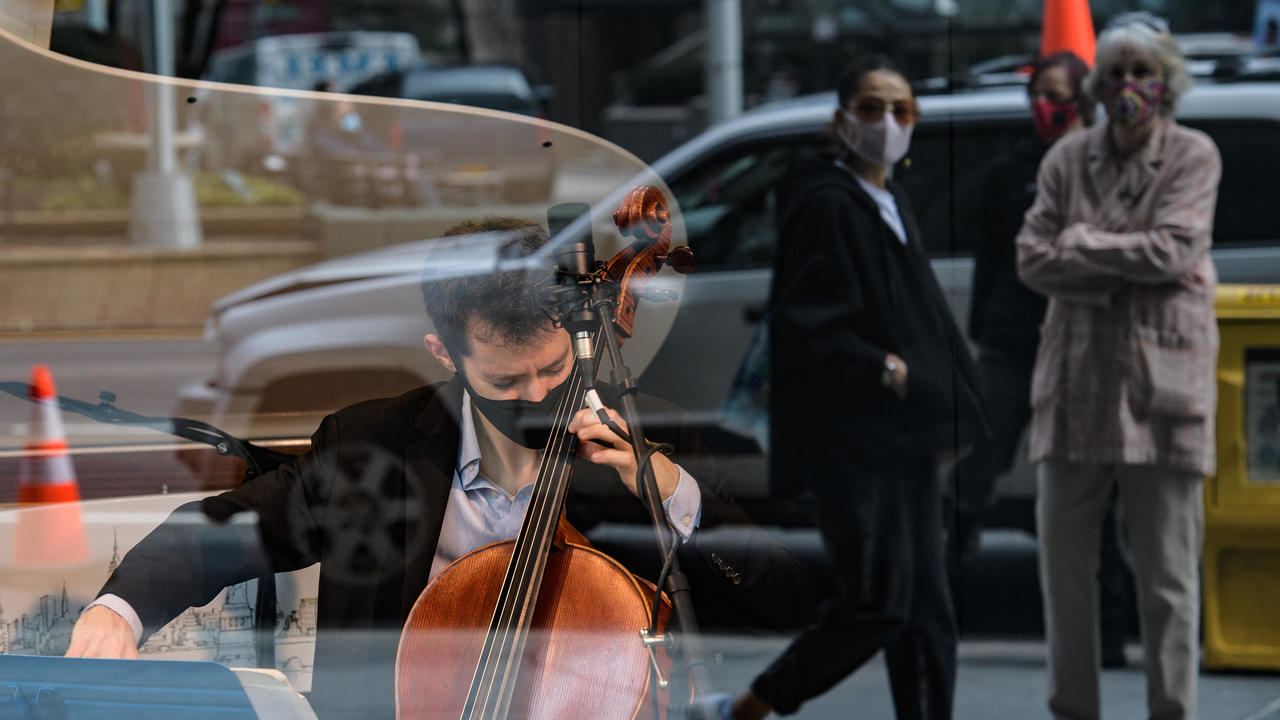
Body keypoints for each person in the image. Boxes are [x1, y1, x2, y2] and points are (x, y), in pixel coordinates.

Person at [65, 218, 812, 719]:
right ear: (443, 354)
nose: (540, 398)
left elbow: (783, 604)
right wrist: (117, 609)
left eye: (553, 370)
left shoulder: (645, 439)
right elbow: (223, 532)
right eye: (506, 383)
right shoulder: (376, 446)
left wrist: (672, 495)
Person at [729, 55, 987, 720]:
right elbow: (808, 322)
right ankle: (752, 705)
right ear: (840, 120)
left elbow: (923, 314)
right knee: (878, 600)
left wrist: (948, 401)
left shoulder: (891, 200)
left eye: (901, 111)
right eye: (872, 108)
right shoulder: (825, 201)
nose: (888, 123)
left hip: (905, 434)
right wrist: (886, 368)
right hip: (854, 438)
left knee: (927, 607)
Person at [1016, 13, 1220, 720]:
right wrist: (1116, 259)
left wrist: (1080, 246)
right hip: (1074, 386)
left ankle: (1174, 711)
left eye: (1143, 72)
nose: (1129, 85)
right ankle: (1074, 709)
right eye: (1117, 74)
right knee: (1064, 572)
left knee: (1167, 575)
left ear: (1167, 85)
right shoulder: (1065, 161)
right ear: (1098, 87)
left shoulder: (1194, 156)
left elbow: (1173, 250)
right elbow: (1030, 258)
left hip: (1162, 391)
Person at [947, 51, 1134, 668]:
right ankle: (938, 603)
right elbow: (992, 260)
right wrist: (982, 333)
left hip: (1083, 344)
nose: (1047, 107)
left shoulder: (1105, 167)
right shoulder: (1012, 171)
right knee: (974, 470)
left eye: (1059, 95)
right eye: (1040, 94)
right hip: (1012, 343)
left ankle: (1106, 635)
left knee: (1094, 488)